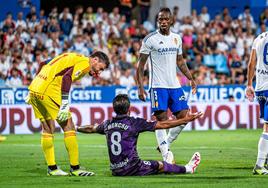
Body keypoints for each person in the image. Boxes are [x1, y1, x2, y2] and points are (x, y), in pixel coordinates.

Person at [25, 51, 110, 176]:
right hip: (49, 90)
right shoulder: (85, 63)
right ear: (95, 60)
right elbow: (67, 77)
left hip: (34, 89)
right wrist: (64, 103)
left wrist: (36, 84)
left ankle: (52, 168)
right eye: (100, 68)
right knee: (69, 126)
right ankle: (75, 168)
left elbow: (43, 63)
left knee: (48, 128)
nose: (99, 72)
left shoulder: (72, 56)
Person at [77, 94, 202, 176]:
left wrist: (75, 128)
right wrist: (185, 120)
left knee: (154, 168)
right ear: (129, 108)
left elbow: (90, 128)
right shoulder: (134, 123)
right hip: (132, 168)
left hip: (115, 170)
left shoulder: (107, 124)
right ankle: (188, 169)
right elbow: (163, 125)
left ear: (114, 109)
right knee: (160, 165)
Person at [136, 7, 197, 163]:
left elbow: (180, 61)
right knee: (161, 121)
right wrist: (140, 87)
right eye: (160, 19)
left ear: (171, 21)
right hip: (157, 86)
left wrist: (190, 78)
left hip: (175, 86)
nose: (163, 22)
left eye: (165, 19)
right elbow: (140, 65)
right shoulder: (150, 39)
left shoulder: (177, 38)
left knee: (185, 117)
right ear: (158, 21)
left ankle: (166, 143)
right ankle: (166, 155)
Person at [246, 31, 268, 175]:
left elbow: (251, 64)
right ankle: (259, 165)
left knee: (267, 125)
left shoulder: (259, 38)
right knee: (267, 128)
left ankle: (263, 161)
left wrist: (249, 84)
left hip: (260, 89)